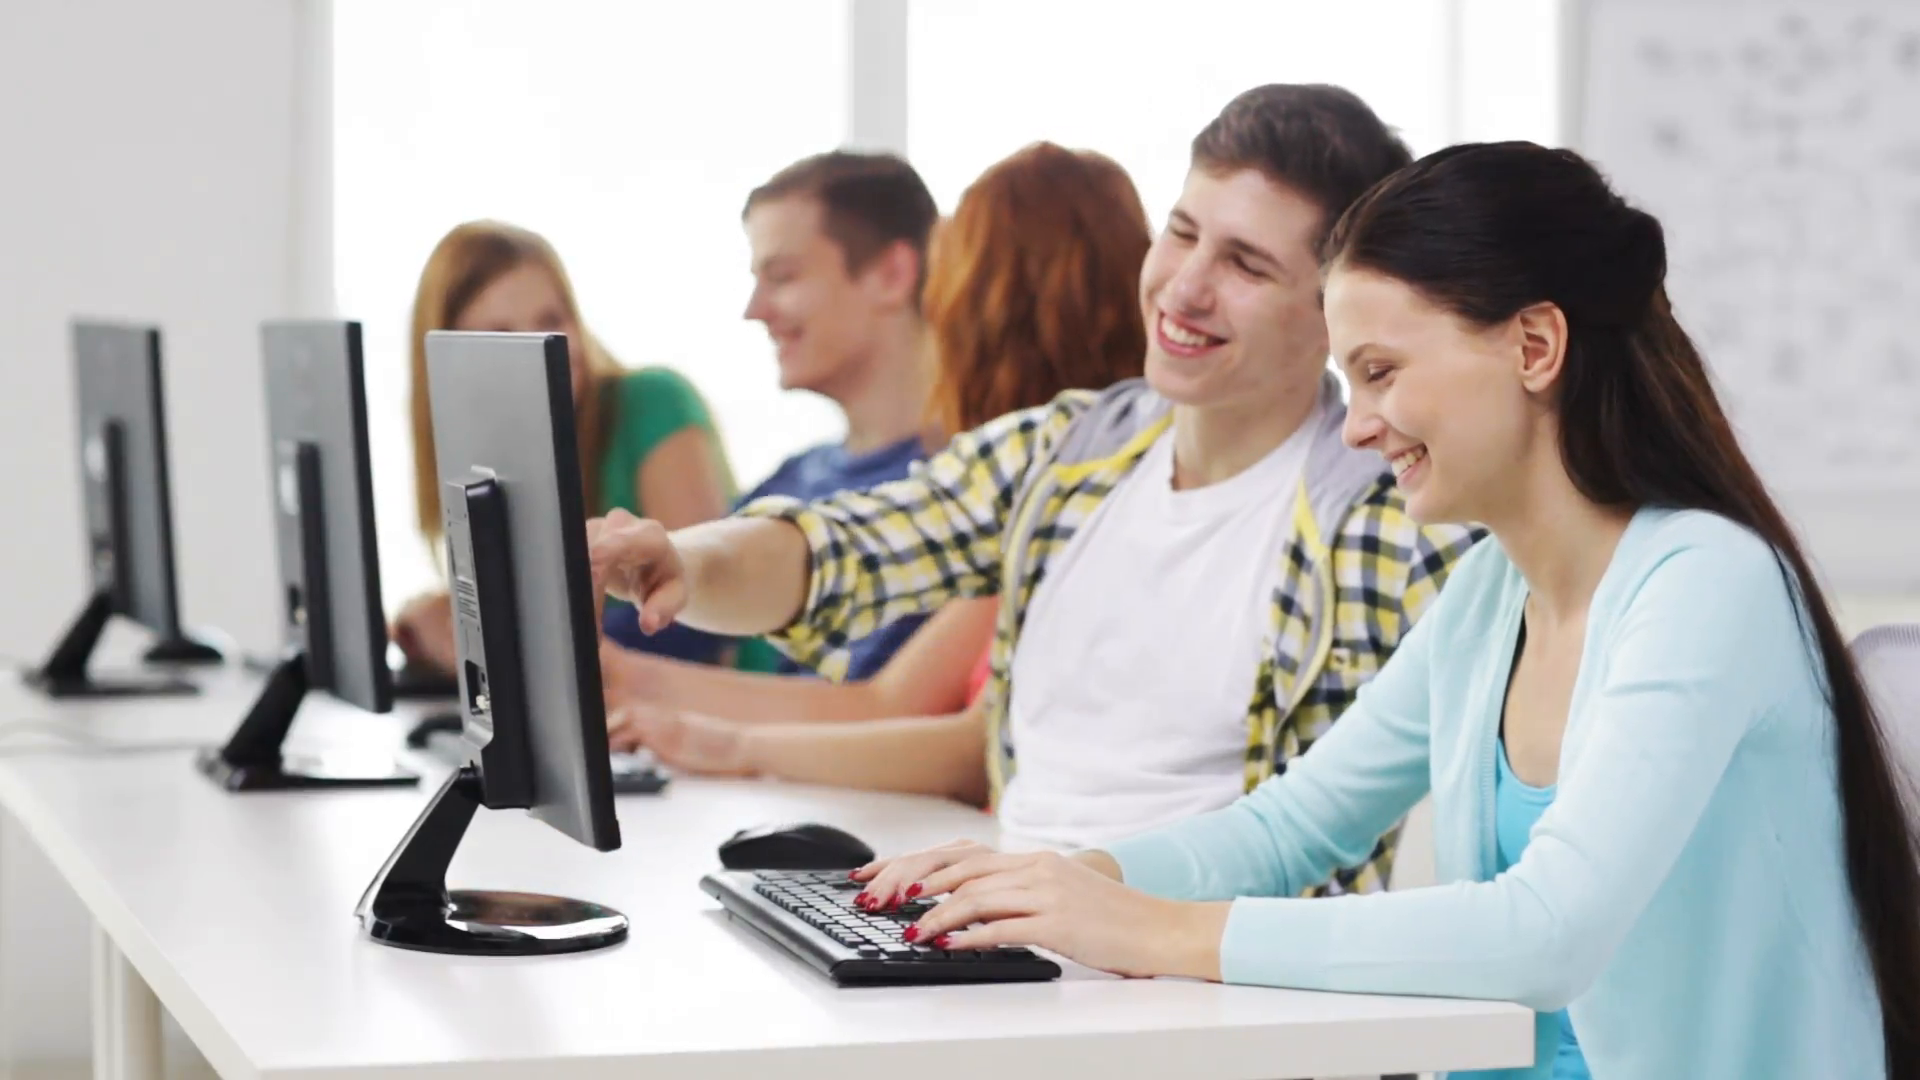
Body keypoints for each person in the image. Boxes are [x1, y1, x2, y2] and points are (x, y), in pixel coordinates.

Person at [853, 143, 1920, 1080]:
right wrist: (1060, 881)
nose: (1356, 427)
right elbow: (1292, 827)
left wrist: (1159, 930)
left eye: (1379, 373)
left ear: (1535, 347)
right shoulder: (1489, 597)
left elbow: (1548, 933)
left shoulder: (1706, 583)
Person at [586, 85, 1481, 889]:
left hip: (1215, 984)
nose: (1187, 287)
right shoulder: (1070, 451)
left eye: (1246, 266)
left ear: (1336, 307)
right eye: (1181, 234)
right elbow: (849, 546)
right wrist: (686, 561)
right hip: (1010, 941)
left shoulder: (1390, 519)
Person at [601, 142, 1155, 804]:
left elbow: (915, 716)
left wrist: (710, 734)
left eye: (782, 275)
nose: (937, 309)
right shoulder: (817, 476)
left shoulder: (1045, 490)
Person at [390, 220, 735, 671]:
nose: (541, 351)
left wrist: (488, 644)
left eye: (552, 322)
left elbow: (696, 625)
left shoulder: (652, 401)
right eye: (502, 337)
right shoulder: (490, 462)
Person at [727, 150, 943, 678]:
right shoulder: (790, 480)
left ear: (892, 274)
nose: (754, 310)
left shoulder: (960, 492)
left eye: (782, 276)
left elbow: (867, 708)